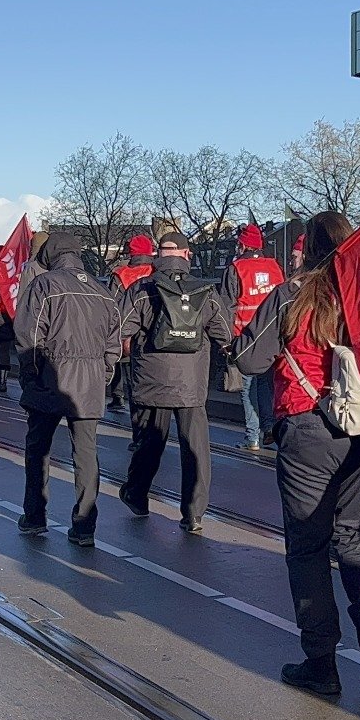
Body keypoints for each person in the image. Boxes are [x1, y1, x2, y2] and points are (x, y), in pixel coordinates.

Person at [236, 212, 360, 696]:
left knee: (307, 546)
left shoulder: (291, 295)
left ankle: (321, 660)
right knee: (353, 533)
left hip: (310, 426)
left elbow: (250, 359)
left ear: (310, 249)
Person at [116, 231, 231, 534]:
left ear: (157, 255)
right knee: (195, 450)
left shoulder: (142, 289)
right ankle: (193, 513)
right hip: (191, 385)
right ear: (187, 254)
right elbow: (225, 334)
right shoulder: (205, 291)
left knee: (148, 444)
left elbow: (120, 330)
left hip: (150, 382)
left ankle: (137, 496)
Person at [15, 232, 121, 546]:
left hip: (51, 377)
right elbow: (113, 346)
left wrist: (31, 377)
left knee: (38, 449)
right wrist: (102, 376)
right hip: (88, 382)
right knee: (86, 454)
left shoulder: (44, 285)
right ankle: (85, 525)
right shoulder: (102, 292)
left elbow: (29, 338)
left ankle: (35, 516)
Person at [222, 224, 284, 451]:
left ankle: (252, 438)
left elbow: (226, 306)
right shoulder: (274, 267)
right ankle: (268, 428)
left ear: (242, 244)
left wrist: (226, 340)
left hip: (245, 337)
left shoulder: (236, 268)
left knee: (247, 388)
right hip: (272, 336)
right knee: (266, 385)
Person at [107, 235, 155, 414]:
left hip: (127, 326)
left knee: (121, 361)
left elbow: (113, 302)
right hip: (151, 328)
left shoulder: (121, 273)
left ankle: (118, 396)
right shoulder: (156, 270)